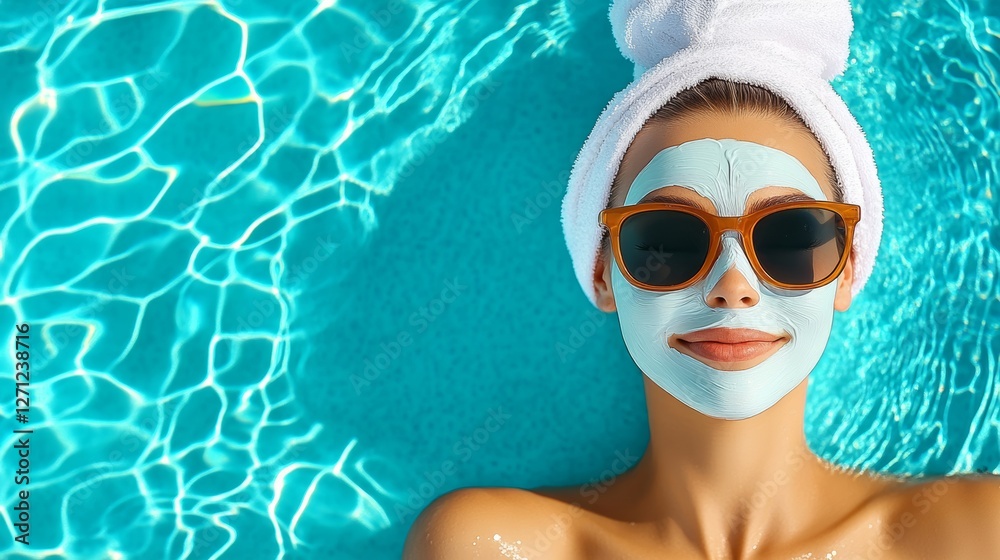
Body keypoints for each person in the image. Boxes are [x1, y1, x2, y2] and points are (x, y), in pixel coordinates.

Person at [404, 2, 1000, 558]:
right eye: (667, 240)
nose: (733, 286)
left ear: (845, 271)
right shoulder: (490, 544)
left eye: (791, 237)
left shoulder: (973, 533)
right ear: (603, 271)